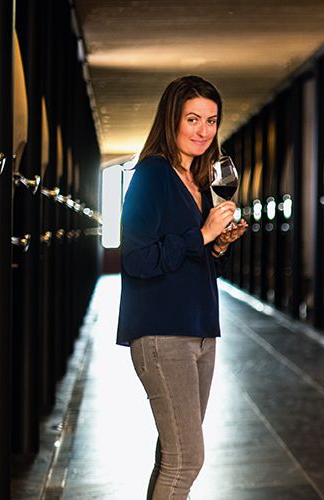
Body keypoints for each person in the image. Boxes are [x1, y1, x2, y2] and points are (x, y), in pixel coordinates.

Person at [117, 75, 247, 499]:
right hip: (162, 332)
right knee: (187, 459)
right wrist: (202, 235)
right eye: (193, 119)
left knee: (172, 457)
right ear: (172, 118)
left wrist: (217, 244)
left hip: (200, 329)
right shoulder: (152, 175)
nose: (203, 131)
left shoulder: (198, 179)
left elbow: (191, 257)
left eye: (211, 120)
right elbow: (137, 259)